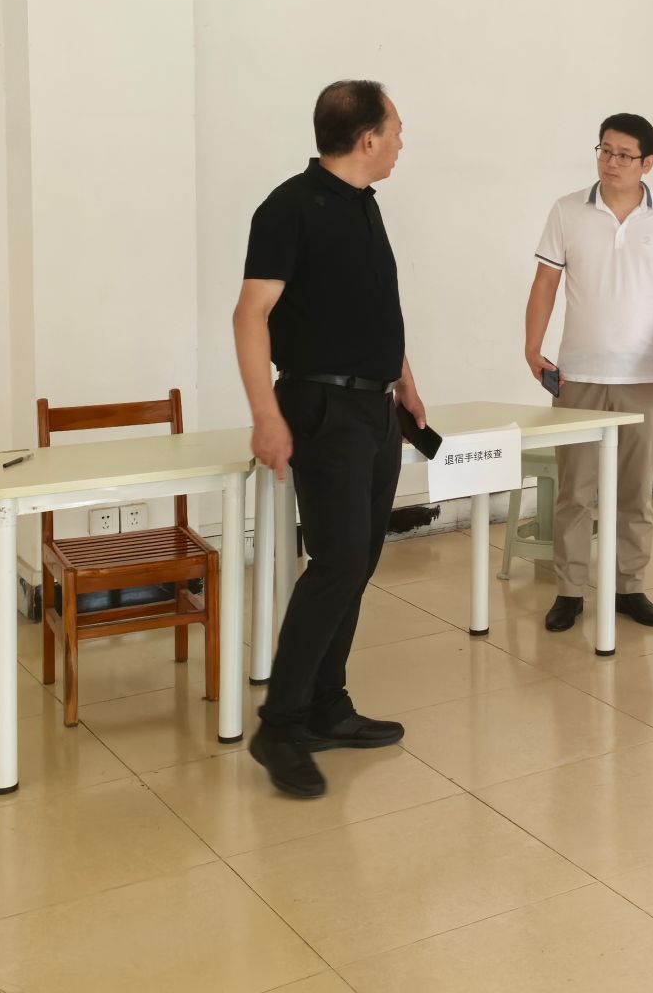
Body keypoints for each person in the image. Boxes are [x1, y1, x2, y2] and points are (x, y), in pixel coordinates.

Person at [233, 80, 425, 799]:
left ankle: (326, 705)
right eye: (396, 130)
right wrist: (265, 415)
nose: (402, 141)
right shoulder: (289, 208)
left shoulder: (365, 205)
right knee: (338, 562)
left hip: (375, 408)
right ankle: (280, 726)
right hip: (321, 407)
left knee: (359, 559)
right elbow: (250, 316)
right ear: (368, 138)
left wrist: (404, 382)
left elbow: (374, 308)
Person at [523, 113, 653, 632]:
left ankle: (630, 586)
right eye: (605, 150)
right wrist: (532, 347)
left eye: (624, 155)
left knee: (635, 491)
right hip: (578, 374)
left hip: (645, 376)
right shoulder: (567, 210)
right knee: (575, 491)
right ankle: (569, 590)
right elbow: (544, 283)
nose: (611, 162)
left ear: (648, 162)